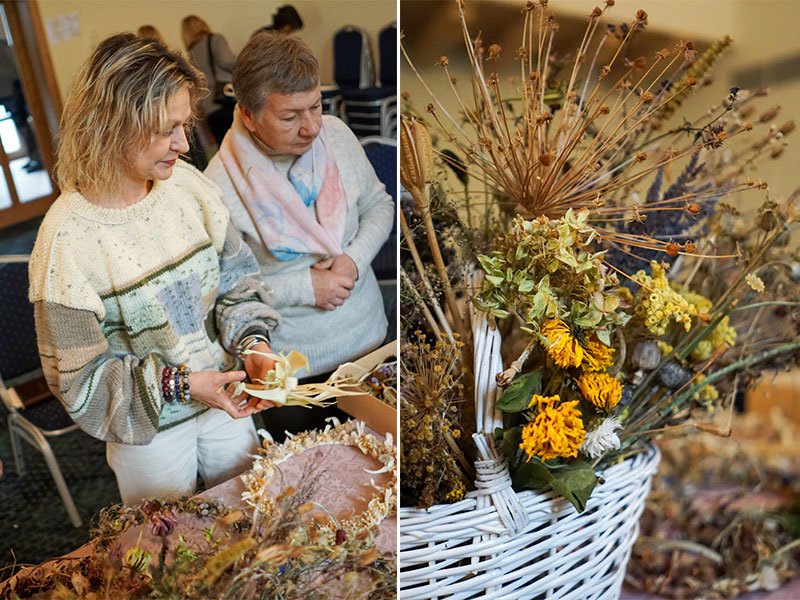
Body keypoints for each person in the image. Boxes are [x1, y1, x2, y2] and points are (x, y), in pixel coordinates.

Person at [29, 33, 280, 506]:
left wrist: (254, 344)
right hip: (150, 435)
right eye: (168, 129)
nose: (184, 145)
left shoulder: (189, 189)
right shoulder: (66, 242)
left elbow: (238, 283)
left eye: (185, 126)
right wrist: (181, 385)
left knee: (257, 522)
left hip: (228, 400)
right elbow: (79, 379)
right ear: (114, 125)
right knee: (169, 556)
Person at [204, 33, 393, 440]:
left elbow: (380, 206)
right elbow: (223, 293)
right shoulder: (217, 186)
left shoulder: (338, 136)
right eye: (290, 117)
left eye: (315, 107)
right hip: (293, 371)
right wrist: (306, 286)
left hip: (370, 343)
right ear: (249, 115)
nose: (311, 128)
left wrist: (353, 259)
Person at [181, 15, 236, 145]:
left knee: (226, 148)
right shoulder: (215, 39)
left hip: (209, 109)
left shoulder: (190, 55)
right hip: (227, 99)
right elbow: (227, 60)